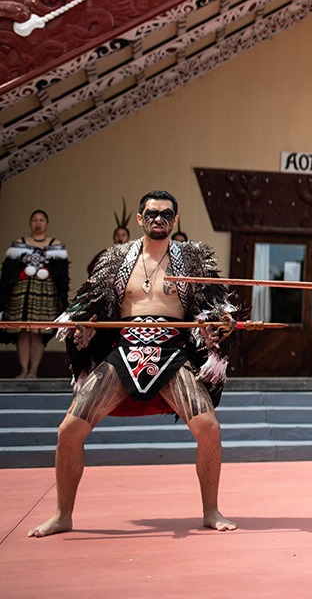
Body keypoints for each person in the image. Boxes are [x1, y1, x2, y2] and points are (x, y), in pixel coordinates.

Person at [26, 190, 236, 536]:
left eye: (166, 215)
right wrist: (85, 328)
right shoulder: (116, 258)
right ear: (140, 218)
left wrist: (211, 327)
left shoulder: (193, 260)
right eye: (152, 214)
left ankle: (211, 510)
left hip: (172, 351)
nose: (158, 220)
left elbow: (213, 305)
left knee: (210, 430)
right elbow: (89, 305)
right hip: (125, 350)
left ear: (175, 220)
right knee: (68, 431)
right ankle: (63, 514)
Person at [2, 210, 70, 378]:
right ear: (30, 223)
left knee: (38, 332)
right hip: (22, 292)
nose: (38, 223)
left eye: (41, 220)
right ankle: (23, 370)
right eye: (34, 220)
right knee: (23, 331)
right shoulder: (19, 244)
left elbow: (61, 276)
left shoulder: (56, 245)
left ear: (47, 223)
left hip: (46, 293)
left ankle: (33, 371)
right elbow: (7, 273)